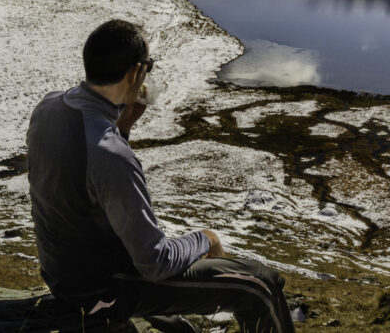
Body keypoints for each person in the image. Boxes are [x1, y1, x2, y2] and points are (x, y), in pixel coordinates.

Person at [27, 19, 296, 332]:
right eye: (148, 66)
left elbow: (86, 176)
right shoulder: (110, 154)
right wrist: (205, 238)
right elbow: (155, 263)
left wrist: (123, 126)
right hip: (103, 290)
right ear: (133, 73)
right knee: (259, 285)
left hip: (65, 274)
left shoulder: (48, 107)